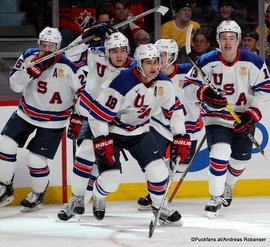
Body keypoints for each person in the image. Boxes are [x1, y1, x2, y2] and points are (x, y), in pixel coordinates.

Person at [84, 43, 191, 226]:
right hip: (113, 132)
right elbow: (97, 116)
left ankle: (160, 207)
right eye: (148, 62)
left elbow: (175, 111)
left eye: (156, 62)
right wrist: (102, 140)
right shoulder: (122, 81)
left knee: (158, 171)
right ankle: (98, 194)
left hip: (140, 131)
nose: (154, 67)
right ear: (139, 64)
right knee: (110, 180)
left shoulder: (165, 83)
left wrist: (180, 135)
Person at [183, 20, 270, 217]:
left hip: (242, 118)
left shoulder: (253, 61)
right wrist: (204, 94)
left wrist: (252, 114)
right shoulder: (206, 61)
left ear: (238, 40)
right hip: (216, 118)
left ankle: (228, 186)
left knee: (239, 161)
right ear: (217, 40)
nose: (227, 42)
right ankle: (215, 197)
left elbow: (265, 90)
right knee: (220, 152)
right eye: (223, 37)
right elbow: (188, 88)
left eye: (232, 37)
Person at [0, 27, 86, 211]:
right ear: (39, 43)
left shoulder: (68, 64)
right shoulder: (29, 56)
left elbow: (82, 93)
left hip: (54, 120)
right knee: (5, 144)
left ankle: (38, 194)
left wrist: (79, 118)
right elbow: (15, 85)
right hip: (26, 112)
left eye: (51, 46)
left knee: (36, 160)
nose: (46, 49)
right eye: (43, 45)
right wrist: (28, 72)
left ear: (58, 47)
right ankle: (5, 186)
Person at [57, 27, 136, 221]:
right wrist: (88, 34)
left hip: (117, 122)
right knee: (85, 152)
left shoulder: (134, 68)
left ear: (128, 50)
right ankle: (76, 199)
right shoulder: (95, 55)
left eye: (122, 50)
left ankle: (99, 197)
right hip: (93, 116)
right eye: (114, 51)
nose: (119, 55)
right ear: (106, 51)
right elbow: (69, 53)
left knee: (105, 164)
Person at [137, 39, 203, 210]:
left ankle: (159, 189)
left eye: (162, 55)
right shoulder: (150, 76)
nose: (157, 59)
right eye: (155, 56)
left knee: (180, 166)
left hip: (188, 128)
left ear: (173, 56)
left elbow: (207, 91)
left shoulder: (190, 72)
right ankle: (154, 195)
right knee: (153, 162)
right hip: (161, 125)